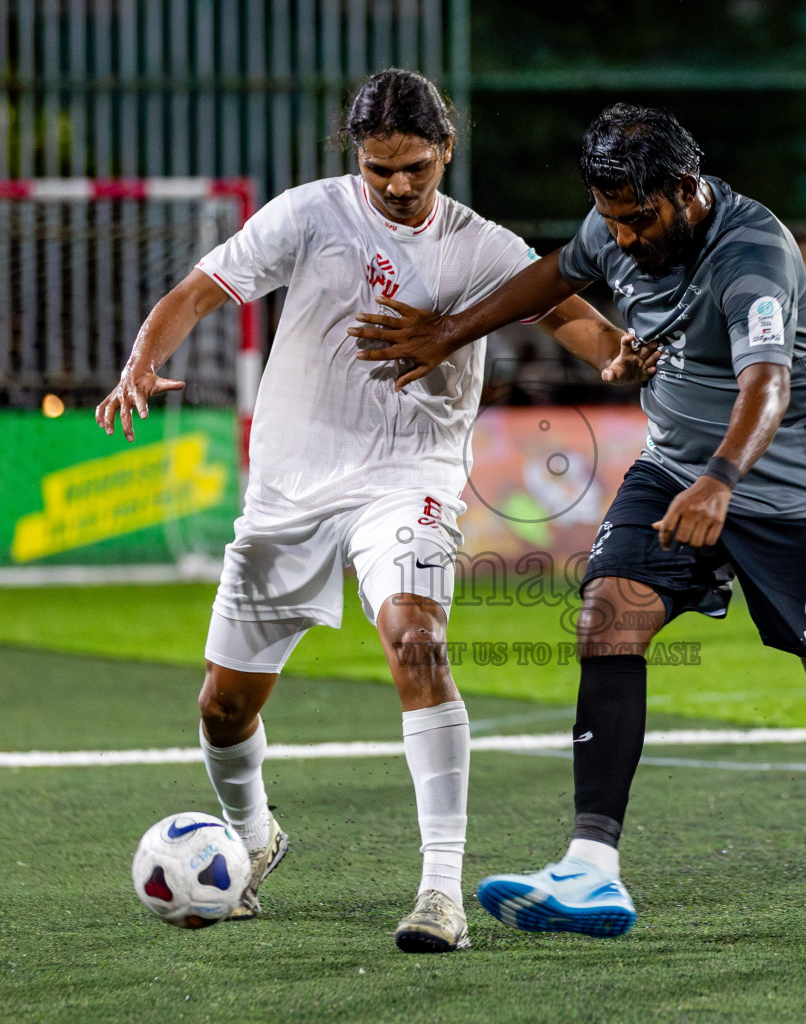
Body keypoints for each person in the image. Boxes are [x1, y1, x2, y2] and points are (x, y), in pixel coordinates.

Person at [349, 104, 806, 942]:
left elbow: (768, 389)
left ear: (685, 190)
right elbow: (557, 274)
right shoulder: (621, 216)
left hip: (792, 491)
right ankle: (591, 865)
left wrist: (721, 481)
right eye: (612, 220)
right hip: (676, 466)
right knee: (609, 616)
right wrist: (451, 332)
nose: (624, 237)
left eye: (638, 220)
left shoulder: (753, 254)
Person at [96, 69, 644, 953]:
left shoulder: (480, 245)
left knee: (416, 640)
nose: (397, 184)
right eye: (380, 166)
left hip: (408, 479)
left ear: (446, 152)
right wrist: (139, 361)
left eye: (416, 168)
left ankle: (440, 892)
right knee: (222, 711)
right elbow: (198, 292)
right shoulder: (309, 215)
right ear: (357, 155)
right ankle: (253, 836)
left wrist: (623, 354)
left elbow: (572, 315)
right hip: (290, 490)